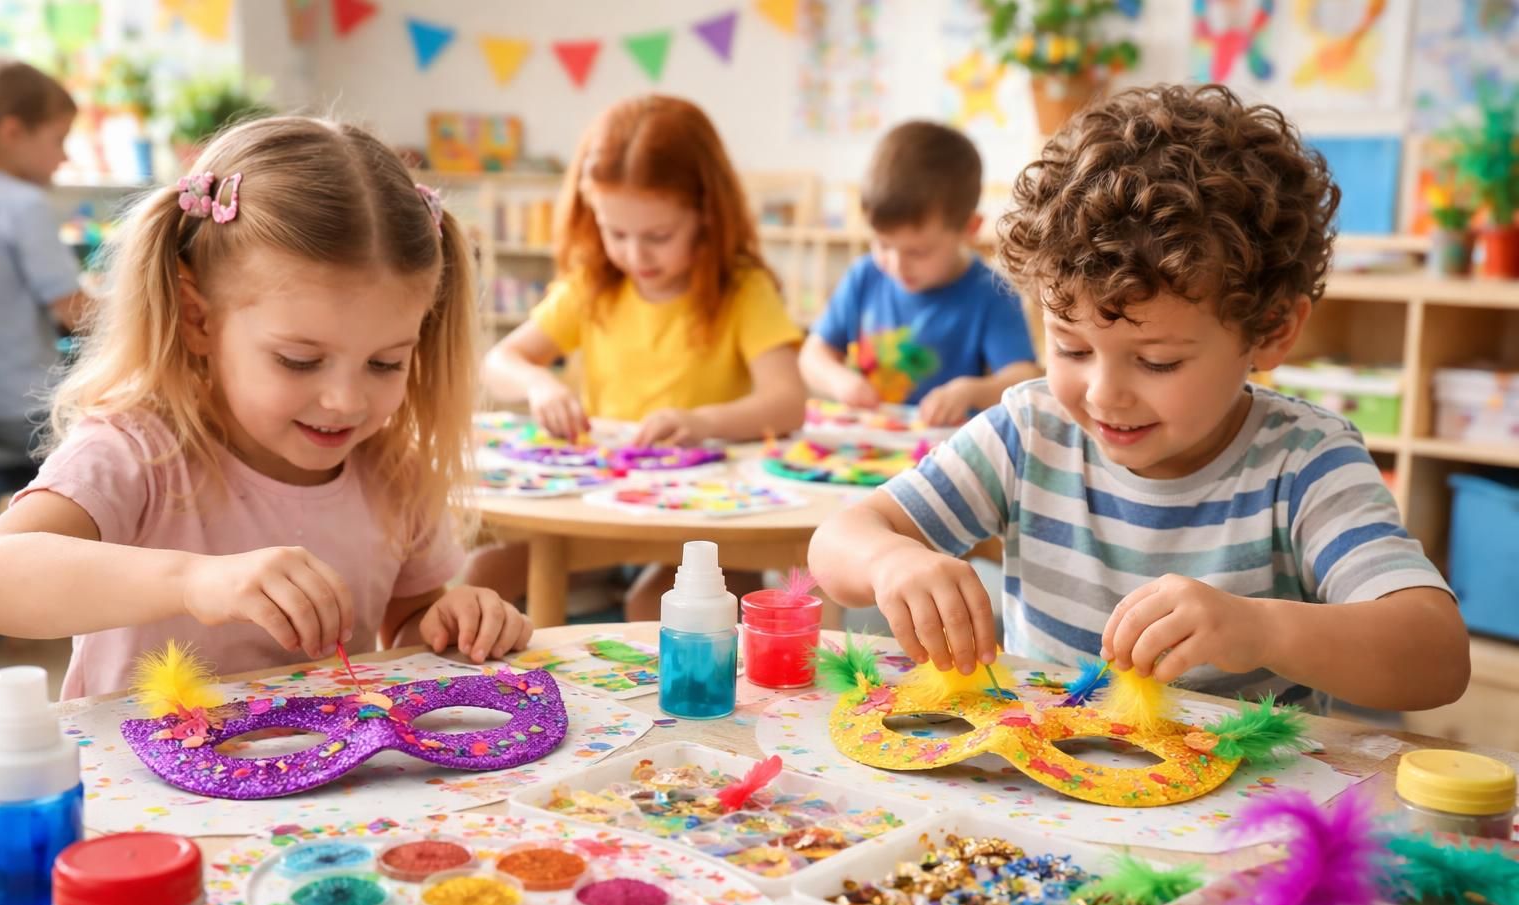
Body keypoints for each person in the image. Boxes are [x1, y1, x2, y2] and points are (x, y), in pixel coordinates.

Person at [809, 85, 1468, 712]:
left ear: (1270, 331)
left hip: (1235, 815)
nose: (1102, 394)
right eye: (1070, 347)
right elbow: (838, 542)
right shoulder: (1030, 431)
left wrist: (1262, 630)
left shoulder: (1303, 464)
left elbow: (1436, 656)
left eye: (1158, 361)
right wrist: (893, 560)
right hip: (1044, 791)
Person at [0, 115, 531, 698]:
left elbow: (409, 620)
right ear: (199, 319)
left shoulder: (392, 470)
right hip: (144, 788)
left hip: (334, 785)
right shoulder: (135, 451)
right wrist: (194, 580)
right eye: (298, 360)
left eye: (385, 363)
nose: (345, 401)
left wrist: (451, 622)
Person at [474, 95, 805, 619]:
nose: (634, 255)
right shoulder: (595, 284)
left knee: (659, 608)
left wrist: (699, 422)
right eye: (615, 232)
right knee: (484, 576)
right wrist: (542, 384)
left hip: (709, 512)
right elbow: (500, 360)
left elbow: (788, 401)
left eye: (657, 236)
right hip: (603, 498)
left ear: (706, 213)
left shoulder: (741, 289)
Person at [799, 120, 1037, 427]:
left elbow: (1023, 377)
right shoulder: (864, 277)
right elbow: (812, 355)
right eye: (883, 244)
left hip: (944, 451)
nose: (896, 264)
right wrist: (840, 381)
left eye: (918, 252)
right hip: (867, 443)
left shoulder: (990, 293)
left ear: (970, 229)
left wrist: (970, 392)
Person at [0, 60, 92, 512]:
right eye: (58, 139)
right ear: (12, 132)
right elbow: (78, 312)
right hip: (24, 408)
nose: (65, 157)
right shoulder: (21, 205)